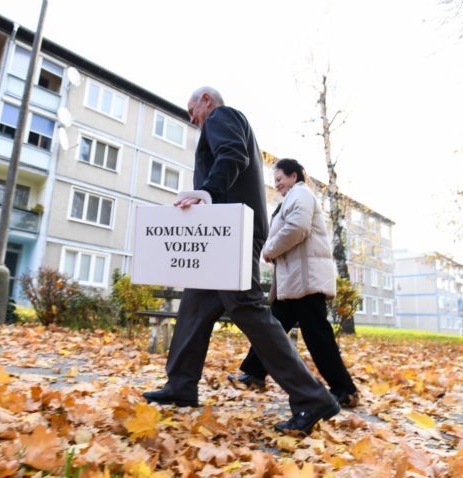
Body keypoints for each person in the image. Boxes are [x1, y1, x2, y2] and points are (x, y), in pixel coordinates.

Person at [143, 87, 340, 435]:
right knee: (194, 306)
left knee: (248, 309)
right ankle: (181, 384)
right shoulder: (218, 121)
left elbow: (233, 154)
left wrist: (208, 192)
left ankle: (312, 398)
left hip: (230, 232)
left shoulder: (223, 115)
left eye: (192, 110)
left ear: (206, 100)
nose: (192, 119)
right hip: (219, 233)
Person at [228, 158, 359, 408]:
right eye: (274, 180)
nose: (276, 184)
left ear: (294, 176)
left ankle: (345, 390)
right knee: (272, 330)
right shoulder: (291, 198)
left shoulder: (301, 194)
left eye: (279, 179)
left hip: (306, 281)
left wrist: (269, 249)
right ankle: (254, 373)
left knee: (317, 336)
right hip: (294, 282)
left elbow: (297, 228)